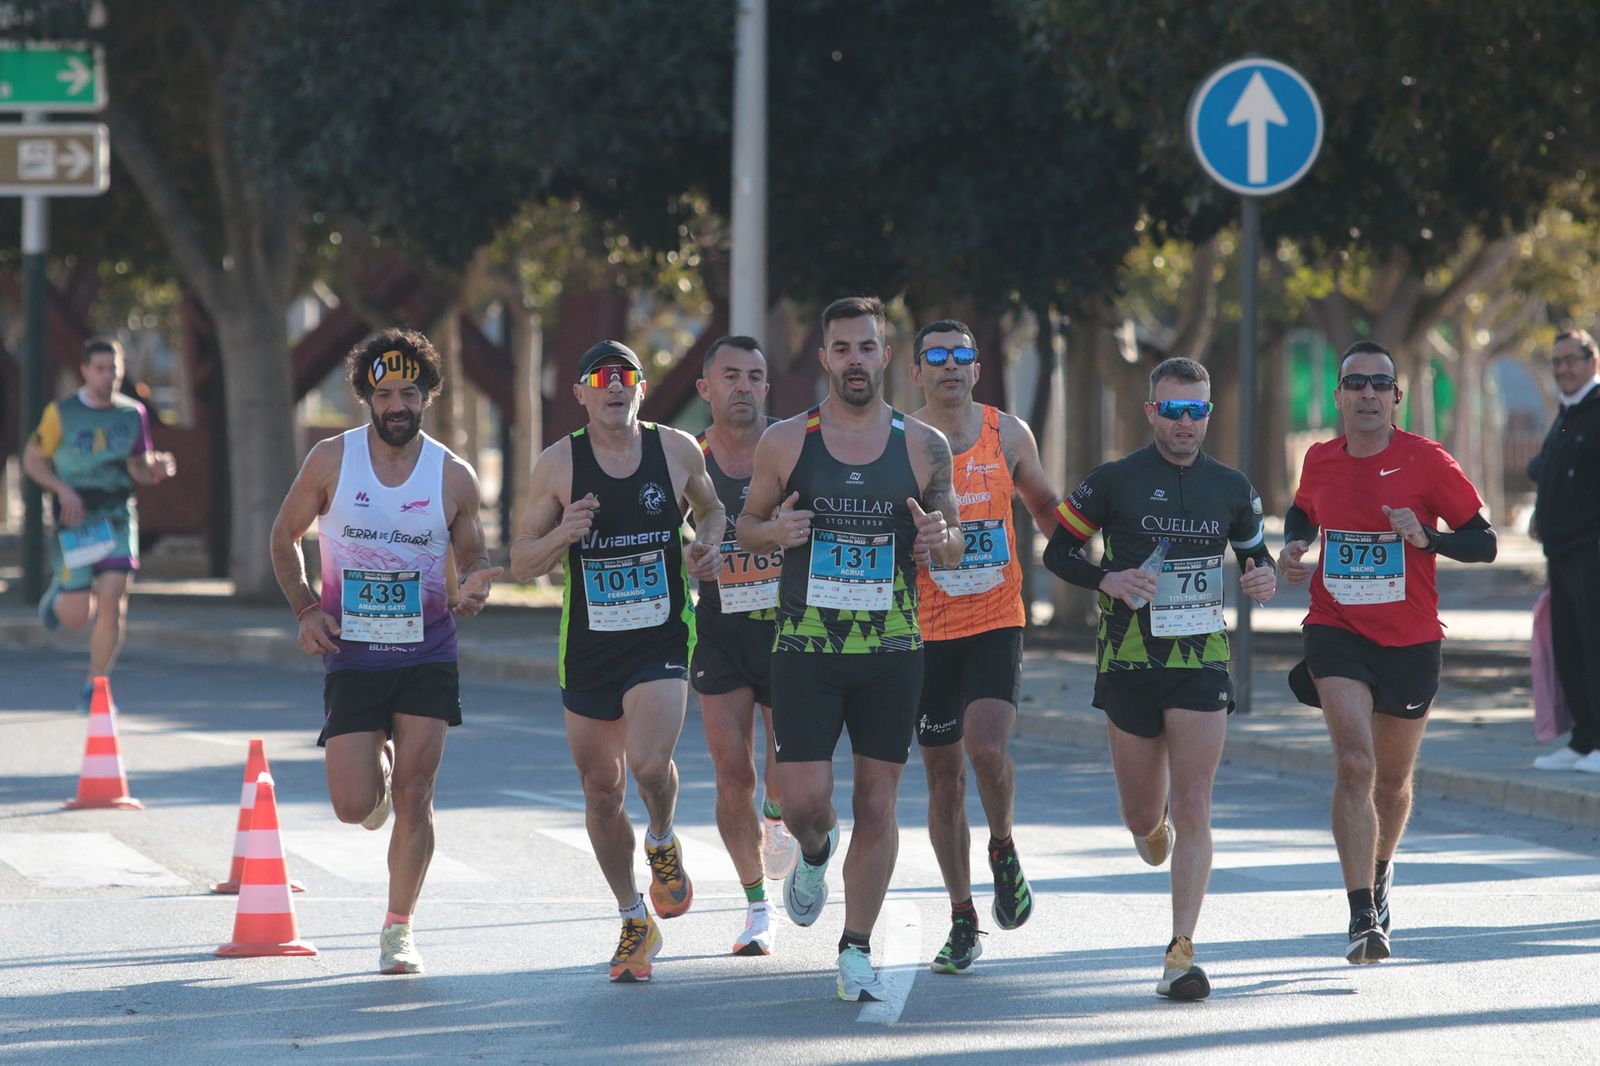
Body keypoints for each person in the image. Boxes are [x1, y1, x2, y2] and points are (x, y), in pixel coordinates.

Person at [737, 296, 962, 1002]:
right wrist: (775, 534)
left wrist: (941, 539)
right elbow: (746, 525)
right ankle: (813, 851)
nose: (855, 360)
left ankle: (855, 946)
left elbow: (953, 545)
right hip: (806, 647)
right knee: (805, 802)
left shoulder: (923, 445)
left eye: (867, 347)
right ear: (825, 357)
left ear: (886, 355)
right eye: (842, 349)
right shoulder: (786, 441)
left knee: (877, 800)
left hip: (891, 649)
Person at [1042, 356, 1276, 1001]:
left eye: (1196, 411)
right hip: (1130, 662)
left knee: (1195, 802)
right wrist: (1108, 579)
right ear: (1151, 412)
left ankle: (1182, 951)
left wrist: (1262, 578)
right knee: (1144, 816)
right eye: (1172, 410)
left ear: (1208, 414)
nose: (1184, 423)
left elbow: (1255, 558)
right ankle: (1152, 826)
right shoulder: (1113, 480)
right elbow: (1058, 551)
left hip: (1200, 661)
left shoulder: (1231, 487)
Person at [269, 328, 502, 975]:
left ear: (428, 395)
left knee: (416, 794)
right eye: (384, 394)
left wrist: (475, 585)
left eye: (408, 393)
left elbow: (473, 555)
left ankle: (399, 929)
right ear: (367, 398)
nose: (396, 405)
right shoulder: (331, 461)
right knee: (353, 806)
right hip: (353, 654)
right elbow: (283, 537)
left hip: (428, 652)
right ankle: (377, 782)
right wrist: (306, 609)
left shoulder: (452, 475)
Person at [510, 339, 724, 984]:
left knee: (649, 765)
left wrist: (706, 547)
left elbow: (712, 509)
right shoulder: (558, 464)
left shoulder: (676, 450)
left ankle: (661, 838)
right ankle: (634, 917)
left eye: (625, 376)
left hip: (660, 636)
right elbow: (520, 560)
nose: (614, 386)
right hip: (590, 647)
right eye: (600, 377)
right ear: (580, 393)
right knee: (602, 794)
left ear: (641, 387)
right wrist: (562, 533)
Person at [1278, 340, 1497, 964]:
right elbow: (1302, 510)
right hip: (1335, 627)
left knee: (1393, 780)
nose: (1368, 393)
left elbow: (1483, 542)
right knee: (1355, 763)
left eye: (1380, 384)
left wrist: (1426, 537)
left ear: (1396, 397)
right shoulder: (1320, 458)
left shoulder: (1427, 461)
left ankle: (1378, 871)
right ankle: (1361, 916)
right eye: (1356, 383)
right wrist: (1295, 545)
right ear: (1340, 396)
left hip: (1410, 639)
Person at [905, 319, 1058, 974]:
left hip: (996, 618)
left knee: (987, 748)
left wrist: (1089, 556)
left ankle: (1002, 845)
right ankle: (962, 916)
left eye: (960, 355)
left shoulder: (1009, 433)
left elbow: (1045, 505)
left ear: (976, 368)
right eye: (935, 356)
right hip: (924, 631)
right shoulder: (900, 441)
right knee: (943, 781)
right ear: (916, 371)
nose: (949, 365)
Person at [690, 335, 797, 957]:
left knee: (786, 770)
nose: (743, 387)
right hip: (720, 632)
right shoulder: (689, 458)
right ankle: (758, 907)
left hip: (788, 631)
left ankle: (778, 818)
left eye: (754, 376)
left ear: (766, 386)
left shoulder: (790, 448)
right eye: (730, 376)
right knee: (734, 775)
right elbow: (658, 537)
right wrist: (686, 557)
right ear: (705, 388)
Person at [25, 335, 176, 711]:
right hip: (76, 518)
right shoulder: (61, 413)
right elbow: (33, 459)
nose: (108, 376)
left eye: (114, 369)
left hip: (118, 515)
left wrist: (154, 469)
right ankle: (58, 596)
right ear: (85, 371)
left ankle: (96, 686)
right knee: (77, 616)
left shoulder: (132, 413)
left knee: (113, 600)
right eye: (100, 369)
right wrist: (63, 490)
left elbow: (138, 466)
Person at [1527, 329, 1600, 773]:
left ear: (1593, 361)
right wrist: (1542, 512)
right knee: (1570, 647)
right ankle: (1584, 739)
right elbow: (1548, 469)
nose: (1562, 369)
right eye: (1556, 362)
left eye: (1570, 360)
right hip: (1562, 553)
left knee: (1595, 644)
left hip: (1592, 551)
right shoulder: (1568, 412)